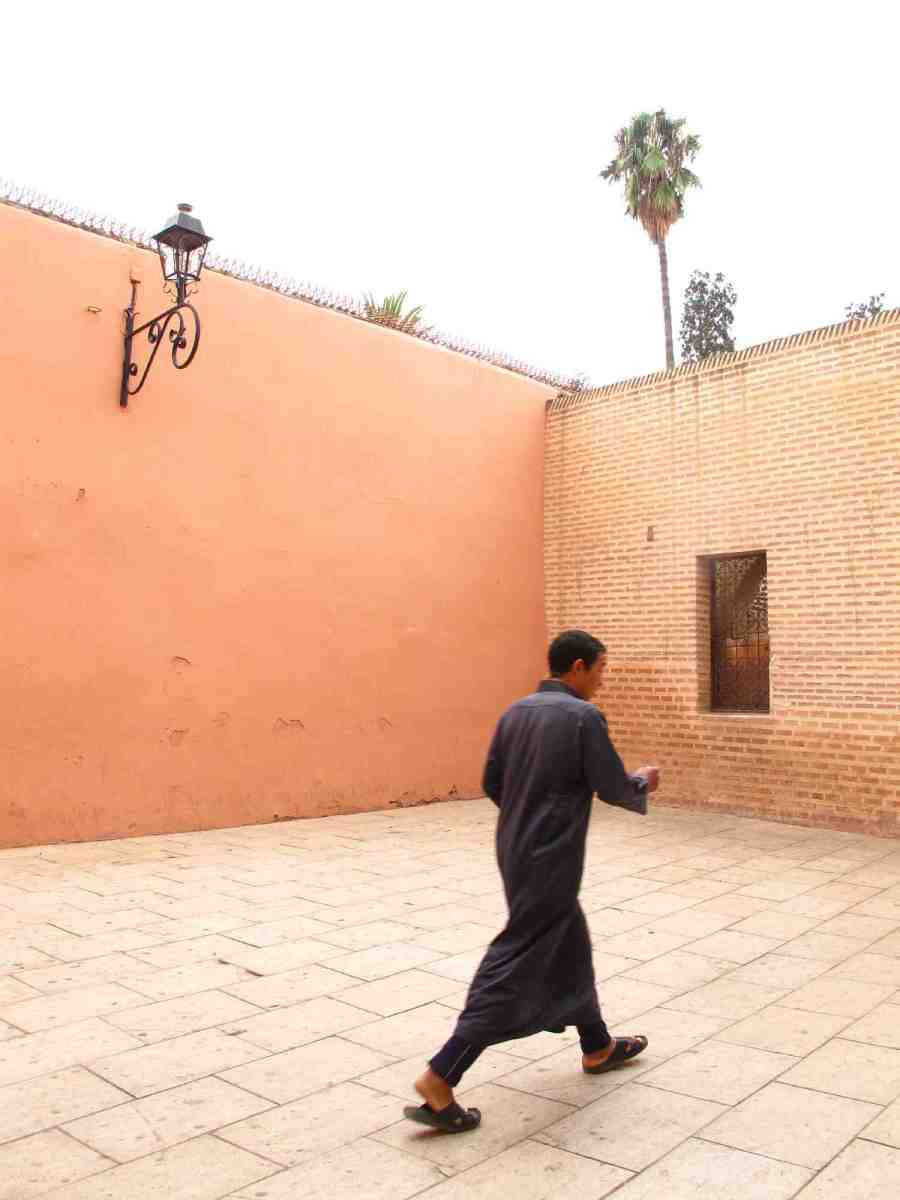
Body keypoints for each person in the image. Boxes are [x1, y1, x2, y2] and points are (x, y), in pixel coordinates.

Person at [404, 629, 660, 1133]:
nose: (602, 681)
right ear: (578, 667)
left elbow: (492, 782)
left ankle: (597, 1045)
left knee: (569, 942)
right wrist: (642, 781)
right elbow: (611, 786)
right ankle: (441, 1076)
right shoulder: (583, 717)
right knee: (519, 955)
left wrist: (528, 815)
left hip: (515, 848)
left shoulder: (515, 712)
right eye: (600, 670)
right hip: (552, 856)